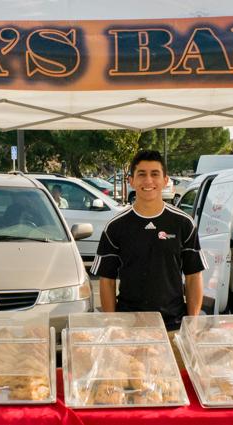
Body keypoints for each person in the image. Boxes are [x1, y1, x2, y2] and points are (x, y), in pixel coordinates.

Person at [91, 150, 206, 364]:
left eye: (155, 174)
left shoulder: (183, 223)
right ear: (131, 181)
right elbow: (106, 281)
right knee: (132, 389)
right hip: (129, 331)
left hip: (173, 328)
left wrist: (193, 324)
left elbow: (193, 276)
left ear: (165, 180)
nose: (148, 180)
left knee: (173, 391)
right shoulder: (115, 227)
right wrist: (113, 324)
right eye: (142, 174)